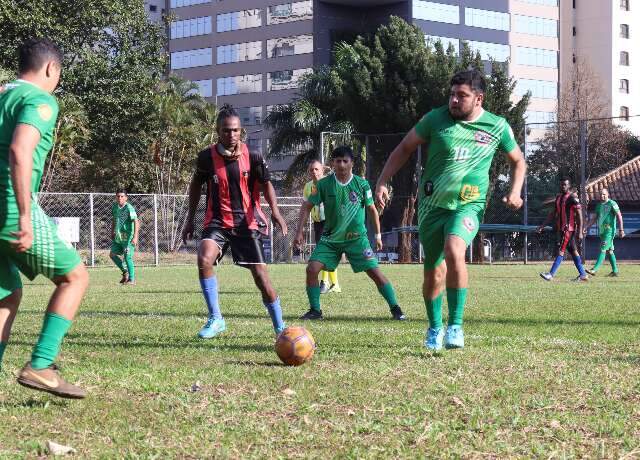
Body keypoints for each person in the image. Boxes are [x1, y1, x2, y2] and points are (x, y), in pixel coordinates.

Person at [374, 69, 526, 351]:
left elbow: (518, 161)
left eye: (462, 96)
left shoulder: (497, 126)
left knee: (454, 250)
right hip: (432, 206)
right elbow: (404, 148)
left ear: (478, 99)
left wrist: (515, 191)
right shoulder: (435, 119)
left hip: (469, 205)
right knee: (433, 271)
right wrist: (382, 181)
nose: (454, 100)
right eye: (452, 94)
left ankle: (455, 325)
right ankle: (434, 328)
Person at [0, 38, 89, 398]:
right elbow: (20, 151)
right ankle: (41, 365)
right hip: (8, 207)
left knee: (6, 296)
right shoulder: (40, 100)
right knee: (75, 277)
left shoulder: (4, 94)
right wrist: (24, 216)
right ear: (51, 69)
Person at [182, 104, 288, 339]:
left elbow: (267, 183)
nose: (231, 135)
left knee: (261, 277)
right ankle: (216, 318)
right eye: (226, 130)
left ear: (242, 132)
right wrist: (189, 219)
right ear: (218, 131)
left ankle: (280, 327)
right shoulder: (206, 157)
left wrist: (276, 212)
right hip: (217, 221)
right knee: (204, 258)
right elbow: (196, 186)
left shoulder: (254, 156)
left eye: (235, 130)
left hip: (246, 224)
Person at [294, 146, 406, 321]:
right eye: (337, 161)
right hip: (330, 239)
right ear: (332, 164)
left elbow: (371, 209)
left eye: (345, 161)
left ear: (352, 163)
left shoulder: (361, 184)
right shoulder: (323, 184)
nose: (341, 164)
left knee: (375, 272)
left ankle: (396, 309)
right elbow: (307, 205)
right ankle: (315, 310)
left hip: (357, 240)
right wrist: (299, 231)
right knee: (311, 269)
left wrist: (377, 235)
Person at [537, 178, 588, 282]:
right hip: (562, 229)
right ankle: (583, 274)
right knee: (574, 252)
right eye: (561, 185)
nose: (563, 186)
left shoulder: (572, 198)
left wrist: (580, 231)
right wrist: (542, 226)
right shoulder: (558, 198)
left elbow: (579, 215)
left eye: (565, 185)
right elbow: (552, 214)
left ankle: (550, 274)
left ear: (569, 186)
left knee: (561, 250)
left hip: (568, 229)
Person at [303, 160, 340, 294]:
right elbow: (306, 206)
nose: (314, 172)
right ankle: (334, 284)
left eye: (317, 169)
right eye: (311, 170)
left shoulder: (330, 183)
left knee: (324, 252)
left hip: (329, 222)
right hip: (317, 223)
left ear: (322, 171)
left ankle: (325, 283)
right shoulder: (308, 186)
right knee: (324, 253)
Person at [584, 188, 624, 277]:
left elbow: (619, 216)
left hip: (609, 231)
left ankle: (594, 269)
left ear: (608, 194)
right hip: (602, 232)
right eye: (601, 194)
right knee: (610, 251)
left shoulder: (612, 204)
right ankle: (615, 271)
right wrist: (586, 227)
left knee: (603, 249)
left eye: (604, 194)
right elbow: (594, 218)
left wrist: (621, 229)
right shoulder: (599, 205)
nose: (602, 196)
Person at [110, 189, 139, 285]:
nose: (120, 198)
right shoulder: (115, 207)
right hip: (119, 236)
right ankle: (125, 271)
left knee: (127, 257)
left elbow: (136, 221)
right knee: (112, 255)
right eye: (118, 196)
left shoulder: (129, 208)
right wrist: (112, 231)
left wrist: (135, 237)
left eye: (122, 196)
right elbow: (114, 219)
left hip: (128, 237)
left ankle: (132, 279)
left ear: (126, 198)